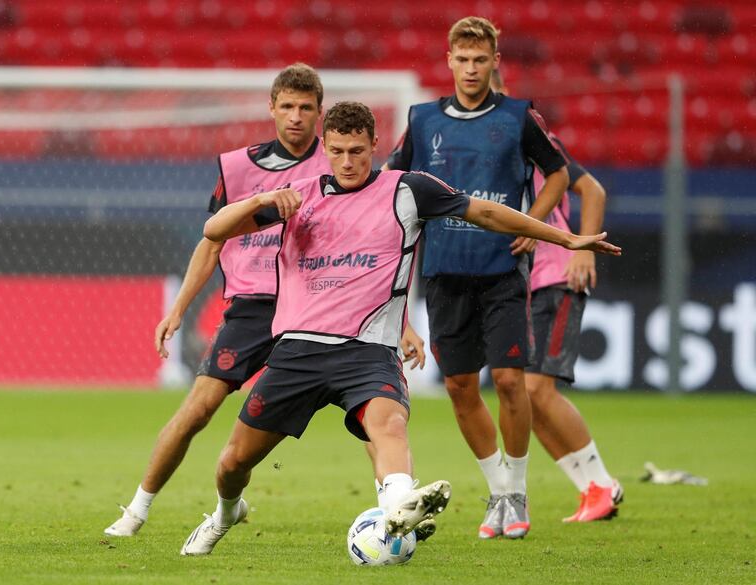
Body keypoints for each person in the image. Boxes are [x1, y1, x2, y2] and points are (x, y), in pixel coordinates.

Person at [179, 100, 620, 556]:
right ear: (326, 148)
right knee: (233, 462)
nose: (347, 162)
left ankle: (398, 504)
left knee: (389, 423)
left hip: (368, 351)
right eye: (337, 151)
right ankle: (226, 512)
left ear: (375, 145)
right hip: (298, 351)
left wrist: (564, 237)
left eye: (357, 150)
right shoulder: (298, 194)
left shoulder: (409, 190)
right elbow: (215, 230)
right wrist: (260, 199)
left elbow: (486, 214)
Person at [104, 63, 332, 537]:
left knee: (367, 407)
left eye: (305, 107)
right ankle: (137, 510)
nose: (295, 116)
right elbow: (211, 242)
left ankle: (393, 503)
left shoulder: (338, 164)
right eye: (287, 106)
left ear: (319, 112)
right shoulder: (239, 166)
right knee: (199, 407)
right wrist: (179, 309)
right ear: (271, 108)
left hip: (315, 306)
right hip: (252, 308)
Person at [384, 16, 568, 539]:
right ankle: (497, 491)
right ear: (449, 61)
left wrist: (536, 225)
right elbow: (393, 185)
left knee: (510, 380)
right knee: (462, 386)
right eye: (461, 60)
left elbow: (557, 172)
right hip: (444, 273)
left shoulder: (517, 117)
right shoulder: (422, 121)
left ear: (494, 63)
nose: (470, 69)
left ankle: (518, 490)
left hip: (502, 269)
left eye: (479, 60)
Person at [489, 70, 624, 522]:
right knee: (526, 397)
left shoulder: (533, 133)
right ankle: (592, 490)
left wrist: (585, 253)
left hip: (554, 273)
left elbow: (592, 189)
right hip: (517, 283)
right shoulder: (476, 148)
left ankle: (603, 483)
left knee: (536, 390)